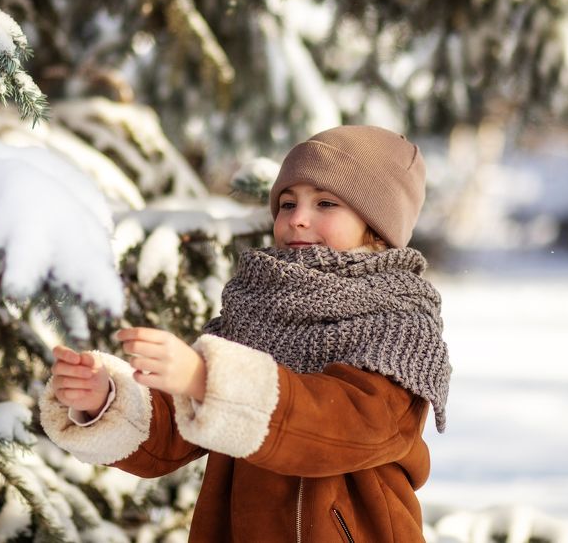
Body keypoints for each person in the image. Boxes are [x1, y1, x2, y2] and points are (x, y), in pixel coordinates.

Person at [40, 125, 451, 542]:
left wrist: (208, 380)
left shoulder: (399, 328)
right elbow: (173, 435)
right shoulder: (253, 313)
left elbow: (348, 427)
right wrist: (105, 400)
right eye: (287, 203)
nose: (298, 218)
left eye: (326, 203)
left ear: (377, 229)